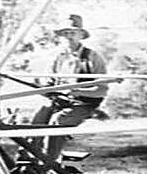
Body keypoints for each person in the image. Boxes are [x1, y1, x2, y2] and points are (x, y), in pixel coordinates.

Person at [28, 14, 109, 166]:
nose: (68, 37)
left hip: (83, 104)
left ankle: (50, 164)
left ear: (81, 35)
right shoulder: (57, 57)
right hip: (60, 101)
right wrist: (42, 87)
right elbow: (49, 83)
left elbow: (101, 90)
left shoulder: (92, 57)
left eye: (72, 33)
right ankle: (31, 157)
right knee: (39, 115)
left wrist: (77, 91)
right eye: (65, 33)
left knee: (58, 122)